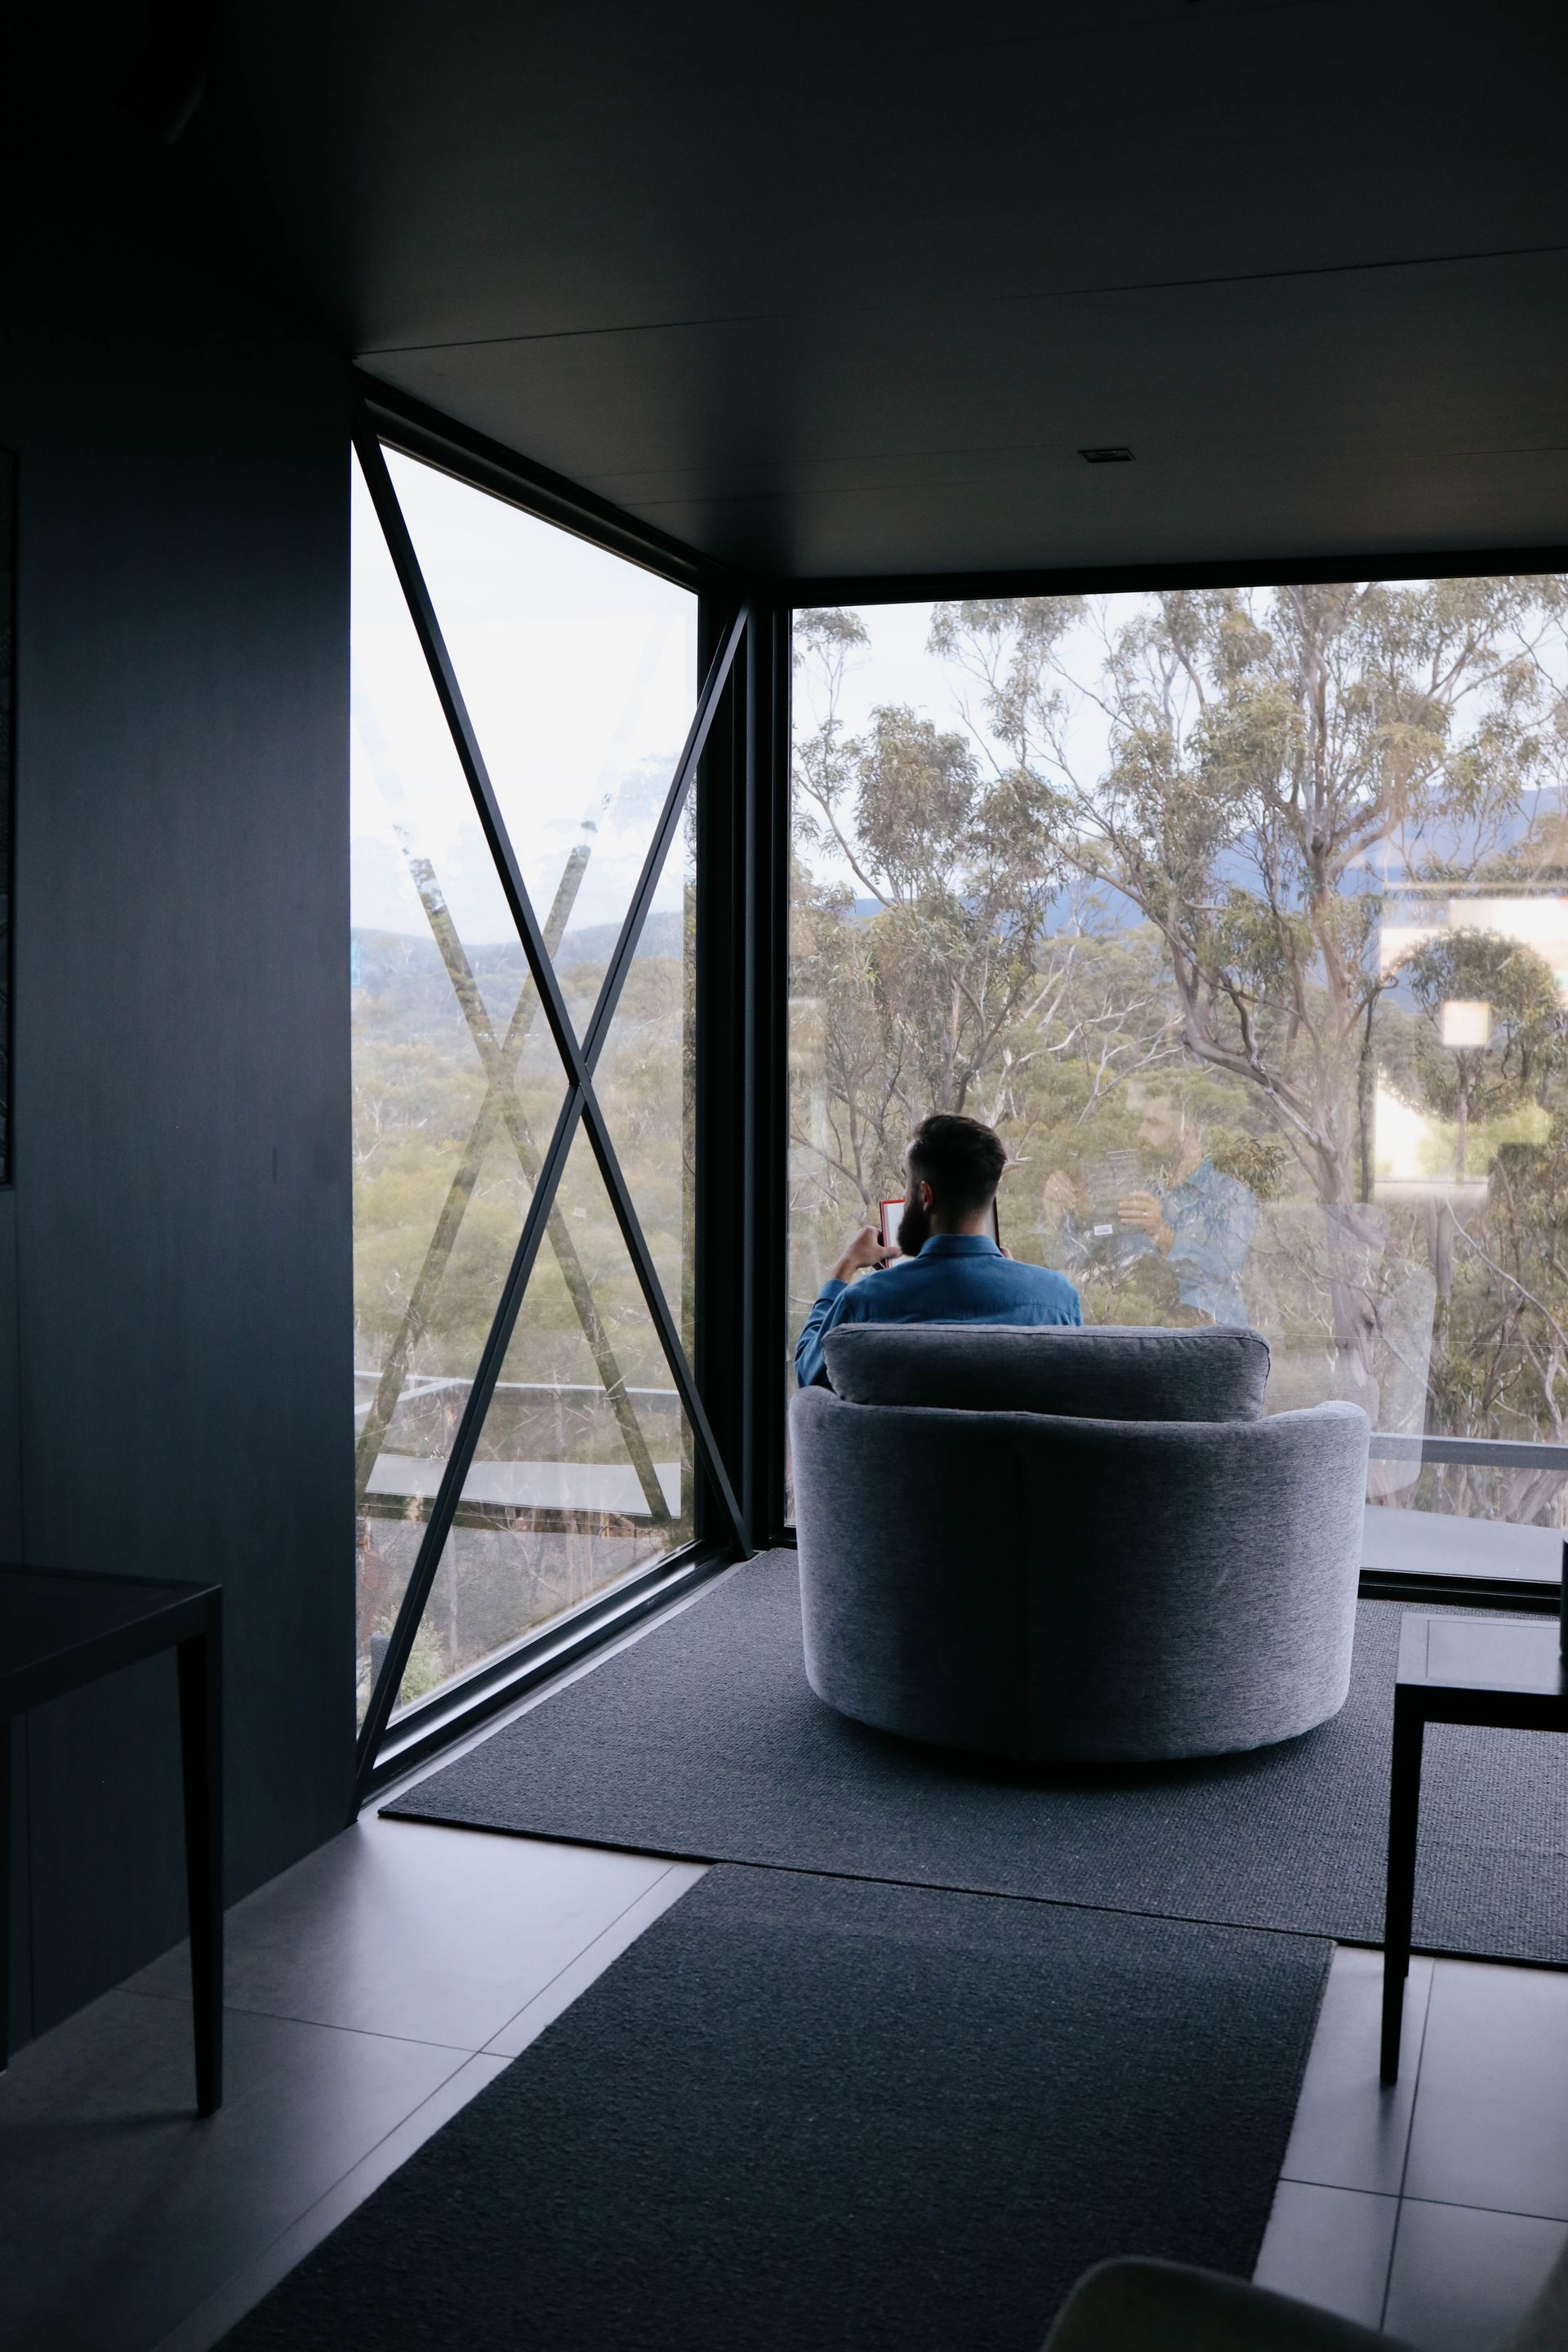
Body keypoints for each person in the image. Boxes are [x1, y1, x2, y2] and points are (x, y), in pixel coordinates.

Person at [794, 1111, 1081, 1388]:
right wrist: (1021, 1283)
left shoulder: (865, 1302)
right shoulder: (1057, 1302)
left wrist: (845, 1266)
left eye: (907, 1183)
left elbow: (809, 1374)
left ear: (924, 1195)